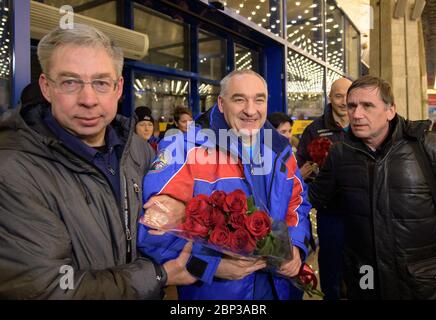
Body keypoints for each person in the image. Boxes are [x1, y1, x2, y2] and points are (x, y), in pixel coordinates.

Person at [0, 23, 195, 299]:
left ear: (118, 88)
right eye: (70, 82)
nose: (88, 99)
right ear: (46, 88)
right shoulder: (13, 171)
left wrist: (182, 209)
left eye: (101, 83)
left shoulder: (137, 150)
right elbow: (47, 289)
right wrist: (156, 275)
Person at [137, 69, 312, 300]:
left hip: (278, 288)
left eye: (259, 100)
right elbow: (152, 227)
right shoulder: (185, 149)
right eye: (239, 99)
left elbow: (298, 202)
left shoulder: (280, 149)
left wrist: (297, 246)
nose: (250, 110)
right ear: (221, 103)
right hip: (218, 293)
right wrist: (210, 265)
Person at [309, 75, 436, 299]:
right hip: (365, 276)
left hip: (422, 280)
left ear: (390, 110)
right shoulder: (339, 154)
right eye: (352, 106)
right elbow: (317, 199)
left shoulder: (425, 147)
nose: (357, 114)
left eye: (367, 105)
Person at [296, 77, 352, 300]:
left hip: (363, 211)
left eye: (348, 95)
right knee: (331, 269)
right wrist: (313, 174)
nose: (344, 101)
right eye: (338, 96)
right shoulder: (315, 130)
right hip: (331, 213)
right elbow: (300, 169)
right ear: (330, 97)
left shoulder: (364, 123)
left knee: (365, 268)